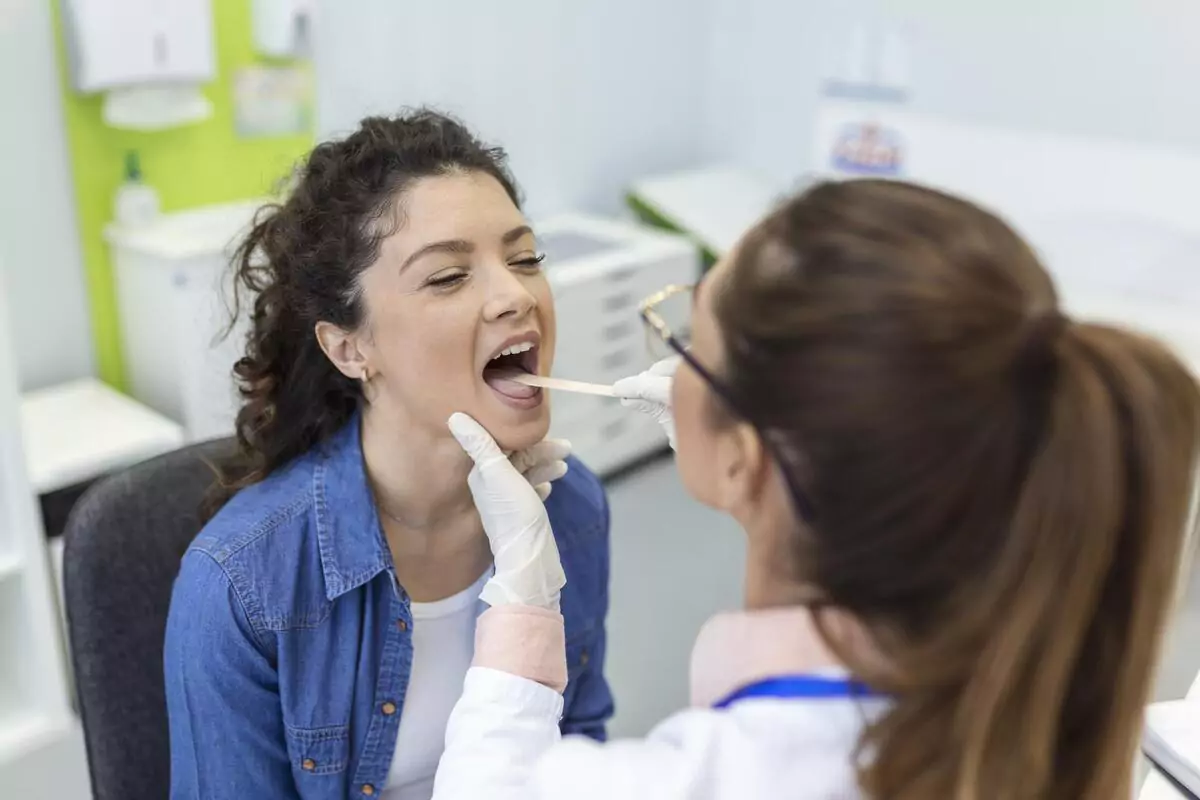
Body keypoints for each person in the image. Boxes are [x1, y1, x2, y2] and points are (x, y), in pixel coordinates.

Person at [431, 178, 1200, 799]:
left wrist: (524, 607)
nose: (512, 299)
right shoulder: (1029, 692)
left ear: (749, 456)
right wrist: (750, 466)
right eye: (446, 275)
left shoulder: (740, 775)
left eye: (693, 342)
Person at [163, 111, 615, 800]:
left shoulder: (569, 508)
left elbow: (578, 751)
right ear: (350, 348)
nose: (518, 295)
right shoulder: (242, 586)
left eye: (525, 259)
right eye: (448, 276)